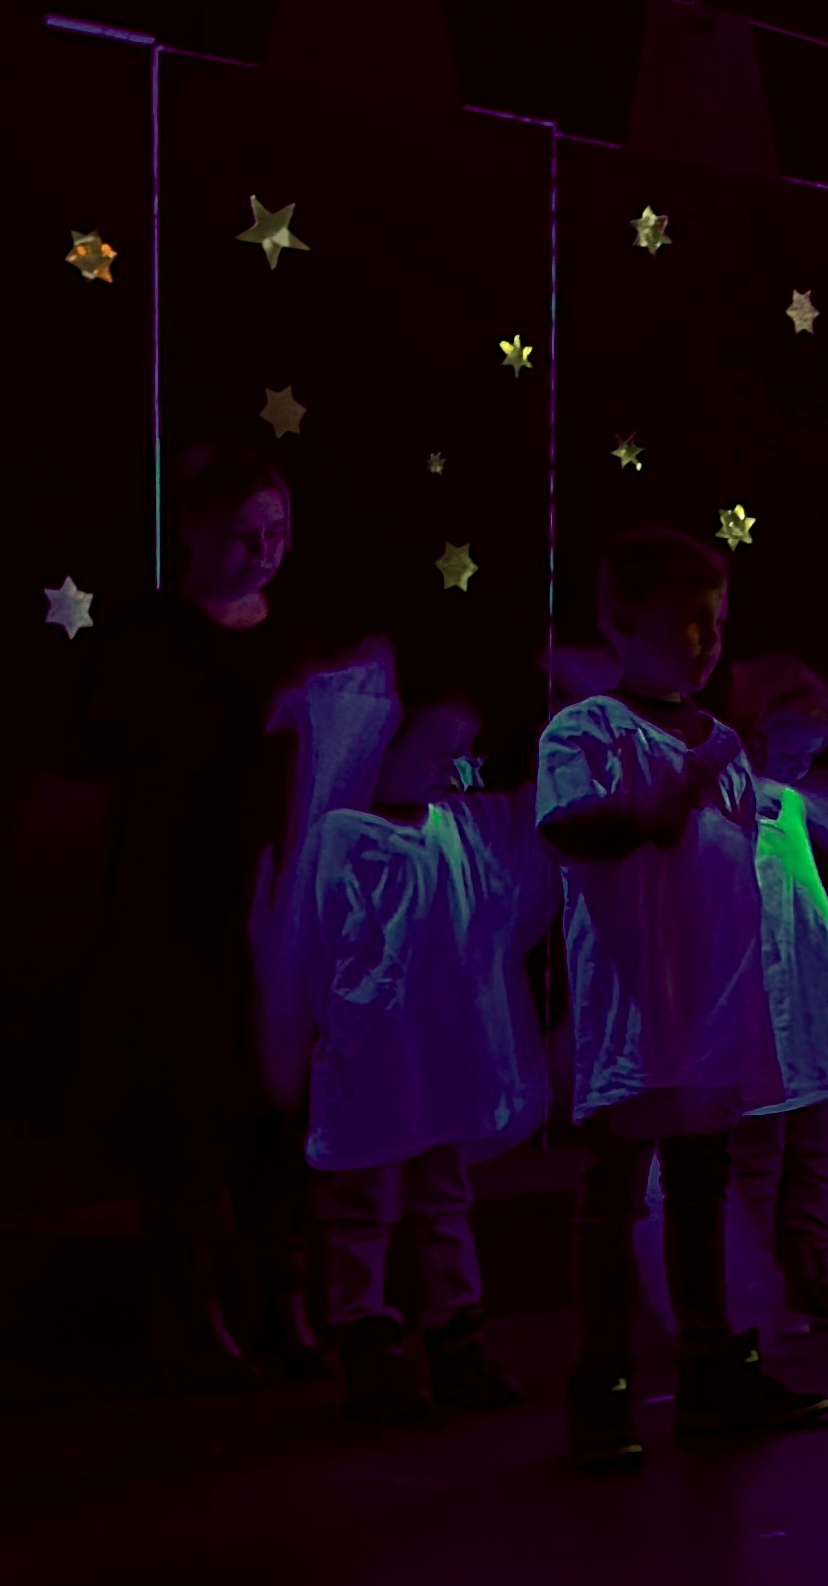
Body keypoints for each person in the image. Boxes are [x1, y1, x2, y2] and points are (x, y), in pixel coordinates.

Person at [538, 529, 824, 1470]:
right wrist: (655, 809)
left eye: (716, 622)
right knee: (613, 1196)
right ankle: (602, 1382)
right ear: (622, 626)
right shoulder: (587, 730)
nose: (705, 641)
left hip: (708, 1005)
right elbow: (572, 829)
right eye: (684, 622)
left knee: (700, 1186)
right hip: (634, 1004)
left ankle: (708, 1367)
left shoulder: (721, 744)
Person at [59, 445, 317, 1391]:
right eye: (245, 535)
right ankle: (193, 1311)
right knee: (191, 1114)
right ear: (195, 534)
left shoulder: (298, 639)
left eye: (276, 533)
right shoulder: (148, 636)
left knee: (279, 1114)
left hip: (278, 898)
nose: (264, 552)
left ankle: (279, 1299)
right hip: (180, 904)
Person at [298, 674, 548, 1419]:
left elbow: (491, 908)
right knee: (365, 1200)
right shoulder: (345, 836)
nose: (454, 768)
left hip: (443, 1050)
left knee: (443, 1194)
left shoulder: (455, 827)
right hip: (376, 1052)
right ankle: (368, 1346)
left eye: (461, 753)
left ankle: (454, 1339)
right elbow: (324, 946)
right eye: (438, 754)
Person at [715, 656, 828, 1333]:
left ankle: (811, 1273)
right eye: (791, 750)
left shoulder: (789, 802)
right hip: (756, 1005)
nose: (801, 764)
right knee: (757, 1157)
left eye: (810, 752)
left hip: (810, 1002)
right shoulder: (727, 800)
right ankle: (756, 1289)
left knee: (814, 1154)